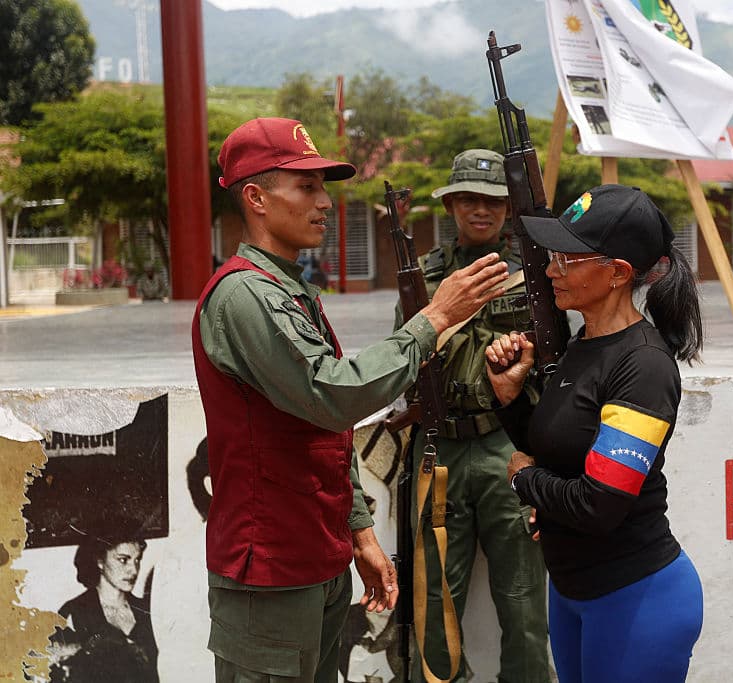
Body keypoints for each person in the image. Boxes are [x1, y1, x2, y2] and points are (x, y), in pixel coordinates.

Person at [193, 118, 510, 683]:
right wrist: (436, 317)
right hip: (269, 572)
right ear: (257, 198)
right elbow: (334, 395)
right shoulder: (245, 295)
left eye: (324, 188)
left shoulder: (288, 290)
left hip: (316, 557)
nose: (325, 204)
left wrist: (359, 532)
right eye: (307, 187)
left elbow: (322, 438)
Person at [485, 184, 704, 683]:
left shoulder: (643, 365)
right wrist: (511, 398)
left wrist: (523, 482)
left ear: (618, 273)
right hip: (571, 591)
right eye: (552, 256)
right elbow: (559, 456)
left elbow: (598, 503)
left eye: (568, 259)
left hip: (633, 598)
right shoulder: (581, 343)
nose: (549, 270)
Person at [400, 149, 550, 682]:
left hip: (506, 445)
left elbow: (554, 370)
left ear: (508, 208)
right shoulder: (422, 279)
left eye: (491, 200)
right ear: (451, 205)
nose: (479, 210)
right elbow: (402, 359)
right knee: (432, 598)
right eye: (468, 198)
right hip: (438, 443)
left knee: (524, 599)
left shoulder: (535, 276)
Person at [50, 535, 158, 682]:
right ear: (100, 560)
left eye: (137, 560)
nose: (133, 570)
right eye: (123, 560)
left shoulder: (147, 610)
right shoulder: (75, 612)